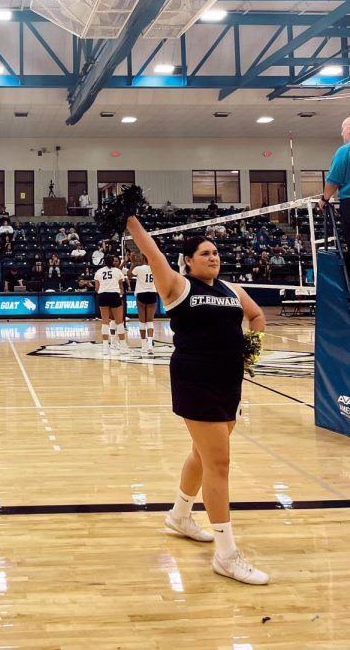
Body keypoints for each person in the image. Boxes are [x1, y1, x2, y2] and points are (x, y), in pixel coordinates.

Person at [126, 215, 269, 586]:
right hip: (195, 378)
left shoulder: (232, 290)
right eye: (205, 253)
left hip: (229, 381)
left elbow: (256, 316)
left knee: (201, 455)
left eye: (216, 252)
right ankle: (226, 555)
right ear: (188, 260)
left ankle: (179, 515)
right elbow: (150, 250)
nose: (213, 257)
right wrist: (131, 220)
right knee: (218, 463)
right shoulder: (177, 286)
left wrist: (251, 348)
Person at [319, 116, 350, 257]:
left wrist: (324, 199)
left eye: (342, 129)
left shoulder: (345, 151)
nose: (341, 134)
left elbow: (333, 181)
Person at [94, 255, 129, 354]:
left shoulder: (98, 272)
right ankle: (123, 346)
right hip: (114, 295)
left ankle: (105, 348)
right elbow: (121, 288)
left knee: (105, 322)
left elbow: (96, 289)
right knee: (119, 322)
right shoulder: (118, 271)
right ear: (112, 262)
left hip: (103, 296)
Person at [128, 254, 158, 357]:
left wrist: (132, 263)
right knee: (150, 321)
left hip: (141, 294)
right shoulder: (155, 268)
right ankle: (150, 345)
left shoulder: (139, 268)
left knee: (142, 321)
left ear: (144, 258)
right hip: (152, 293)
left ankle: (143, 345)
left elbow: (129, 275)